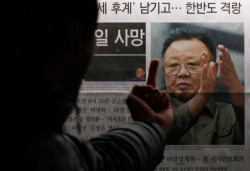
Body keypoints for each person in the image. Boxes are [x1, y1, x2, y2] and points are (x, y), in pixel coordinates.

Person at [3, 3, 173, 171]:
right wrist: (153, 127)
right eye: (94, 36)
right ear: (74, 37)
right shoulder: (44, 153)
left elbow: (103, 160)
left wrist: (151, 126)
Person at [160, 26, 244, 145]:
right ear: (164, 73)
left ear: (213, 70)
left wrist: (238, 92)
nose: (183, 73)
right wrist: (201, 98)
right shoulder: (149, 108)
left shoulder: (231, 116)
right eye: (173, 65)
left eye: (192, 64)